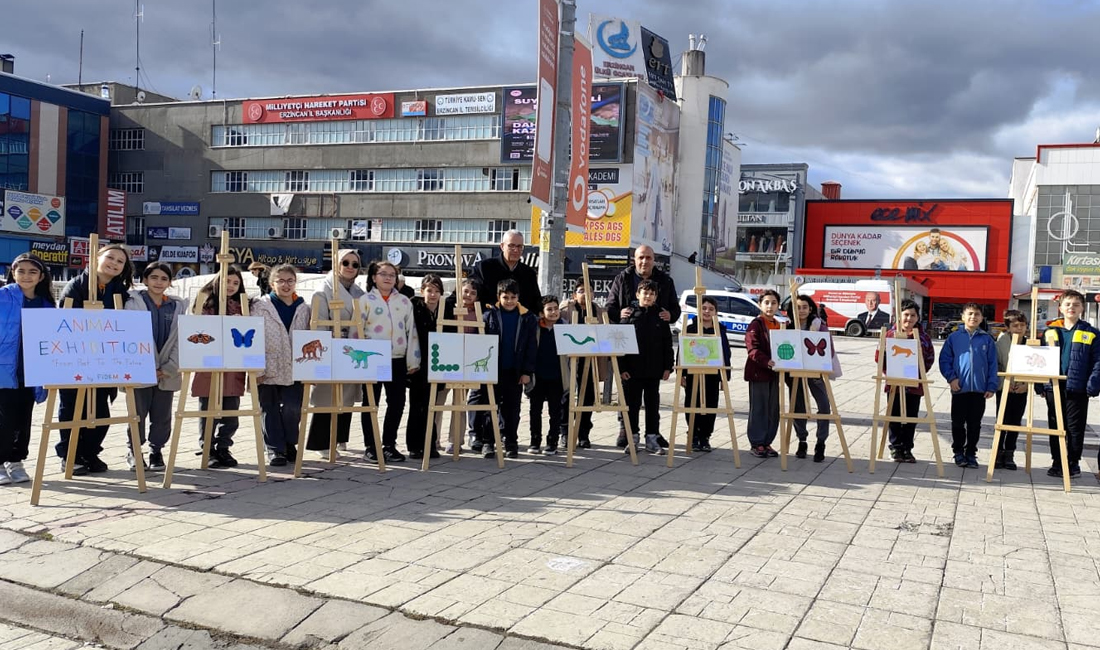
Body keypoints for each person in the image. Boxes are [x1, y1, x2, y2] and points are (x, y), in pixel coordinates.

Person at [56, 243, 135, 475]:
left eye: (120, 261)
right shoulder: (76, 286)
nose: (114, 263)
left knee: (100, 412)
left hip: (105, 360)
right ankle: (70, 455)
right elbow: (66, 320)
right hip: (75, 357)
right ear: (97, 258)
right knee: (72, 409)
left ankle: (90, 453)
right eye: (110, 257)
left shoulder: (120, 291)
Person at [606, 245, 679, 448]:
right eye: (640, 257)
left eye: (648, 257)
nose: (644, 261)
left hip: (654, 356)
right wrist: (618, 314)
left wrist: (670, 315)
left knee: (652, 400)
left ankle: (652, 434)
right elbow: (610, 306)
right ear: (634, 259)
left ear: (653, 260)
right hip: (630, 354)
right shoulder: (623, 278)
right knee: (629, 398)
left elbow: (675, 309)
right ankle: (628, 430)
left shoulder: (665, 281)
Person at [124, 262, 187, 471]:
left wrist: (168, 368)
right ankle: (134, 451)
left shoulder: (177, 306)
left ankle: (156, 450)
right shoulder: (132, 302)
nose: (158, 282)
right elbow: (129, 335)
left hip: (166, 372)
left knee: (162, 415)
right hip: (139, 368)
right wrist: (144, 366)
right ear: (145, 280)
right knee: (137, 414)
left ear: (170, 282)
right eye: (154, 278)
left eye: (163, 279)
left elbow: (181, 339)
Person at [0, 254, 55, 484]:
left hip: (31, 372)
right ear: (13, 272)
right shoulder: (2, 297)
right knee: (4, 419)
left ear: (41, 276)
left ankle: (16, 460)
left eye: (32, 271)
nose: (26, 276)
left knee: (24, 419)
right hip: (4, 371)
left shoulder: (46, 305)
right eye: (20, 270)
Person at [305, 250, 365, 457]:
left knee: (346, 396)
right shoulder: (323, 291)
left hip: (351, 348)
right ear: (336, 264)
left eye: (355, 264)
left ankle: (340, 437)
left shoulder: (359, 293)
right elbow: (318, 325)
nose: (350, 267)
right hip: (330, 347)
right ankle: (320, 442)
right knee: (326, 397)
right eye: (345, 262)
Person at [360, 260, 420, 463]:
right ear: (374, 277)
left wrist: (413, 360)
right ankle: (370, 446)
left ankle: (388, 444)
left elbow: (411, 331)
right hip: (371, 357)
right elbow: (356, 330)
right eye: (383, 274)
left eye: (392, 275)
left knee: (396, 403)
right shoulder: (364, 300)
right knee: (371, 403)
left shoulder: (404, 301)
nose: (387, 278)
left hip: (397, 358)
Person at [252, 264, 311, 467]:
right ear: (272, 283)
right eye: (281, 281)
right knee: (269, 408)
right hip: (268, 365)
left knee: (293, 407)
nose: (286, 285)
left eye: (290, 280)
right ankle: (275, 449)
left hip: (295, 366)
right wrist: (256, 369)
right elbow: (253, 337)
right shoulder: (260, 306)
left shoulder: (304, 308)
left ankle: (288, 443)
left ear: (296, 283)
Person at [1037, 290, 1100, 479]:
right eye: (1068, 304)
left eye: (1076, 304)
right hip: (1053, 387)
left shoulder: (1091, 333)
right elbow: (1038, 359)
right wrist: (1040, 385)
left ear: (1082, 308)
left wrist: (1093, 384)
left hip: (1078, 388)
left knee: (1075, 428)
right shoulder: (1050, 332)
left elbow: (1098, 362)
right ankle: (1057, 462)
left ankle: (1073, 463)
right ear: (1060, 307)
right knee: (1055, 426)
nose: (1071, 307)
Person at [191, 266, 248, 468]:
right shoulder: (205, 303)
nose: (231, 286)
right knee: (208, 409)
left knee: (231, 411)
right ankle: (207, 449)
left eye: (235, 282)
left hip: (233, 366)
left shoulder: (243, 306)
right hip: (209, 363)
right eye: (227, 281)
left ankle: (224, 446)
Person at [482, 279, 537, 458]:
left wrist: (527, 372)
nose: (509, 301)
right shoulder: (489, 315)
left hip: (515, 371)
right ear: (499, 297)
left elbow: (531, 346)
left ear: (518, 297)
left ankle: (510, 442)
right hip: (492, 370)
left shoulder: (527, 317)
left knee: (512, 409)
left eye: (513, 297)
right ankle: (489, 442)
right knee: (490, 407)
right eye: (506, 297)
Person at [938, 303, 998, 469]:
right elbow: (945, 360)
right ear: (963, 317)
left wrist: (991, 385)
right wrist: (951, 378)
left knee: (974, 424)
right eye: (970, 314)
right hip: (959, 388)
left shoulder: (987, 339)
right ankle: (958, 451)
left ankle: (971, 452)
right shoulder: (954, 338)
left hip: (979, 390)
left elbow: (993, 364)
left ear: (981, 318)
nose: (973, 317)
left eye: (977, 314)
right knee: (957, 422)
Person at [621, 279, 673, 454]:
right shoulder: (629, 315)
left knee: (653, 405)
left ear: (656, 296)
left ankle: (652, 438)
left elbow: (667, 343)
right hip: (632, 370)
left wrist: (668, 367)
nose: (648, 296)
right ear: (638, 294)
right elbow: (620, 343)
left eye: (652, 293)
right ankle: (632, 438)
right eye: (645, 293)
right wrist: (622, 368)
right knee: (632, 405)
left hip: (654, 370)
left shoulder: (661, 316)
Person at [879, 299, 935, 463]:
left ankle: (907, 448)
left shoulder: (923, 338)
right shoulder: (890, 335)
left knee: (911, 417)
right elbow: (880, 358)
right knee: (894, 415)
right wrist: (890, 372)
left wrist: (918, 373)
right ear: (899, 316)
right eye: (906, 315)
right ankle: (895, 447)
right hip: (894, 383)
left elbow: (929, 358)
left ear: (917, 318)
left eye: (912, 315)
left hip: (914, 385)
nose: (909, 319)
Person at [679, 296, 732, 453]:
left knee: (710, 405)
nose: (707, 311)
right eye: (704, 308)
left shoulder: (719, 331)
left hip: (713, 375)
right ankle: (693, 434)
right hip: (692, 374)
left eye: (711, 309)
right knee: (692, 404)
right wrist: (681, 373)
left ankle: (705, 436)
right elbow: (681, 352)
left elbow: (726, 354)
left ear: (715, 312)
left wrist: (725, 377)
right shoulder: (689, 329)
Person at [786, 295, 835, 462]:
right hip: (794, 373)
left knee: (824, 406)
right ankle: (802, 440)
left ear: (811, 309)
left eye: (804, 307)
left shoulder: (820, 326)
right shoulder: (788, 326)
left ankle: (821, 442)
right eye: (797, 307)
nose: (801, 310)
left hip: (816, 372)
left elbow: (830, 350)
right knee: (798, 406)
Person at [559, 284, 605, 449]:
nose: (585, 294)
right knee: (566, 396)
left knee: (588, 396)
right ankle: (564, 432)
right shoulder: (566, 309)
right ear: (574, 294)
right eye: (581, 291)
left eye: (589, 291)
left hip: (591, 359)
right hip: (570, 359)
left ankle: (583, 433)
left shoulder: (599, 311)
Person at [406, 274, 445, 460]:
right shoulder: (414, 307)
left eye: (437, 291)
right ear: (422, 291)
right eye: (429, 290)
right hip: (418, 363)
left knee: (432, 406)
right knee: (416, 406)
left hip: (438, 364)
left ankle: (430, 444)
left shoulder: (445, 310)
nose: (433, 295)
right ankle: (414, 445)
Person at [443, 278, 483, 453]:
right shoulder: (447, 307)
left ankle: (455, 440)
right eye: (466, 291)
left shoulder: (479, 312)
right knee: (438, 401)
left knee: (459, 402)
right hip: (446, 359)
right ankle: (433, 438)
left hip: (467, 361)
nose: (468, 295)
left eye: (473, 293)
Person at [528, 296, 569, 455]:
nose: (553, 312)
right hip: (538, 377)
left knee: (555, 411)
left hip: (557, 377)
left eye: (556, 309)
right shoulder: (535, 328)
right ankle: (534, 441)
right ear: (541, 313)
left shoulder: (565, 327)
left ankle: (552, 442)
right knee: (535, 411)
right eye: (549, 309)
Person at [744, 290, 782, 459]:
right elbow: (752, 349)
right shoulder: (756, 325)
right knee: (759, 408)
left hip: (775, 374)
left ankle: (767, 442)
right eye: (766, 302)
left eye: (773, 303)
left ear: (778, 305)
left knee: (773, 409)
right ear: (760, 304)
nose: (770, 306)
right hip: (759, 373)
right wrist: (767, 361)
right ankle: (757, 443)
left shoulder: (779, 325)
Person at [469, 230, 541, 313]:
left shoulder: (528, 273)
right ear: (502, 246)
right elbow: (467, 291)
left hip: (520, 323)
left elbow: (536, 303)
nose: (516, 250)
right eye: (511, 246)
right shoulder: (484, 268)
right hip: (488, 321)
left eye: (519, 246)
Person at [994, 310, 1029, 470]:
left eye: (1022, 325)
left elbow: (1035, 368)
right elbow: (996, 365)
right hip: (1004, 388)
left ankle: (1009, 453)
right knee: (1002, 420)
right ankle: (997, 452)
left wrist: (1025, 384)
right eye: (1015, 325)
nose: (1019, 328)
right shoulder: (1000, 343)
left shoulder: (1030, 343)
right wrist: (1004, 383)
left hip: (1021, 389)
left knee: (1015, 421)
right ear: (1007, 327)